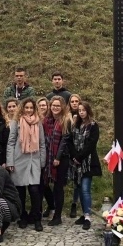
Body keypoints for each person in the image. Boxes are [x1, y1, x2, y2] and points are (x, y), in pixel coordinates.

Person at [6, 97, 46, 231]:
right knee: (21, 191)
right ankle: (22, 216)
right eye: (26, 107)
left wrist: (42, 161)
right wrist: (10, 161)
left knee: (35, 190)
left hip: (34, 159)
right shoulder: (15, 122)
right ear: (22, 108)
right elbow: (11, 142)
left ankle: (36, 217)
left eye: (31, 108)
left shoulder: (38, 122)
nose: (29, 110)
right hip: (19, 159)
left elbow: (41, 143)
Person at [68, 100, 100, 230]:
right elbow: (70, 140)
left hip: (87, 162)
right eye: (79, 110)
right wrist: (74, 156)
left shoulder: (93, 125)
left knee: (85, 189)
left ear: (88, 111)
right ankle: (83, 212)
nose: (81, 113)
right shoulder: (75, 125)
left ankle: (88, 216)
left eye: (83, 110)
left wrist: (80, 157)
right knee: (79, 188)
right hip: (76, 163)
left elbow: (91, 144)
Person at [42, 95, 70, 226]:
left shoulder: (65, 120)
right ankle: (51, 206)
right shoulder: (46, 120)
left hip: (61, 158)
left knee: (58, 187)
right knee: (44, 184)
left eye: (58, 106)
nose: (55, 108)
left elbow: (64, 141)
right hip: (47, 157)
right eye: (53, 105)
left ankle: (57, 216)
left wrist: (57, 158)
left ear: (62, 107)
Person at [66, 93, 81, 218]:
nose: (74, 103)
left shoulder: (83, 115)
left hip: (80, 152)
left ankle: (74, 203)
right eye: (72, 101)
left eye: (77, 101)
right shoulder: (66, 116)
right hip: (67, 150)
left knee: (78, 180)